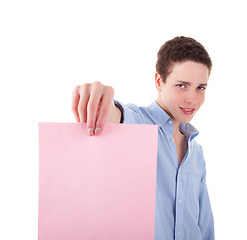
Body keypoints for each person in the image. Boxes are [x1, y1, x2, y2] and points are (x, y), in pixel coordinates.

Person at [71, 36, 214, 240]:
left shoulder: (196, 151)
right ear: (159, 81)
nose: (192, 98)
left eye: (201, 87)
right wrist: (102, 97)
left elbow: (204, 224)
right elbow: (116, 116)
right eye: (182, 85)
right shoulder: (139, 123)